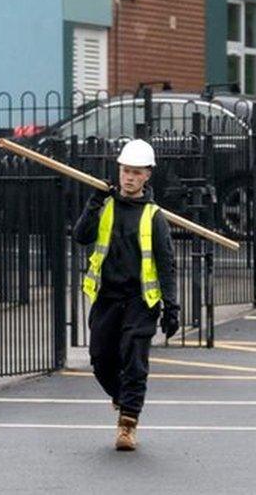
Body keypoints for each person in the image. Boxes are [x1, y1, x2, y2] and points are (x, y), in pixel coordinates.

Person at [73, 138, 180, 451]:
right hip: (107, 298)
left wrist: (171, 306)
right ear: (119, 171)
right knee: (101, 359)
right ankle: (121, 398)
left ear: (147, 175)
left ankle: (127, 425)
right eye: (125, 170)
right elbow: (81, 237)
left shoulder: (153, 216)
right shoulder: (104, 205)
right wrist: (92, 202)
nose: (129, 177)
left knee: (134, 361)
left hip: (139, 301)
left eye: (136, 172)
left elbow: (166, 264)